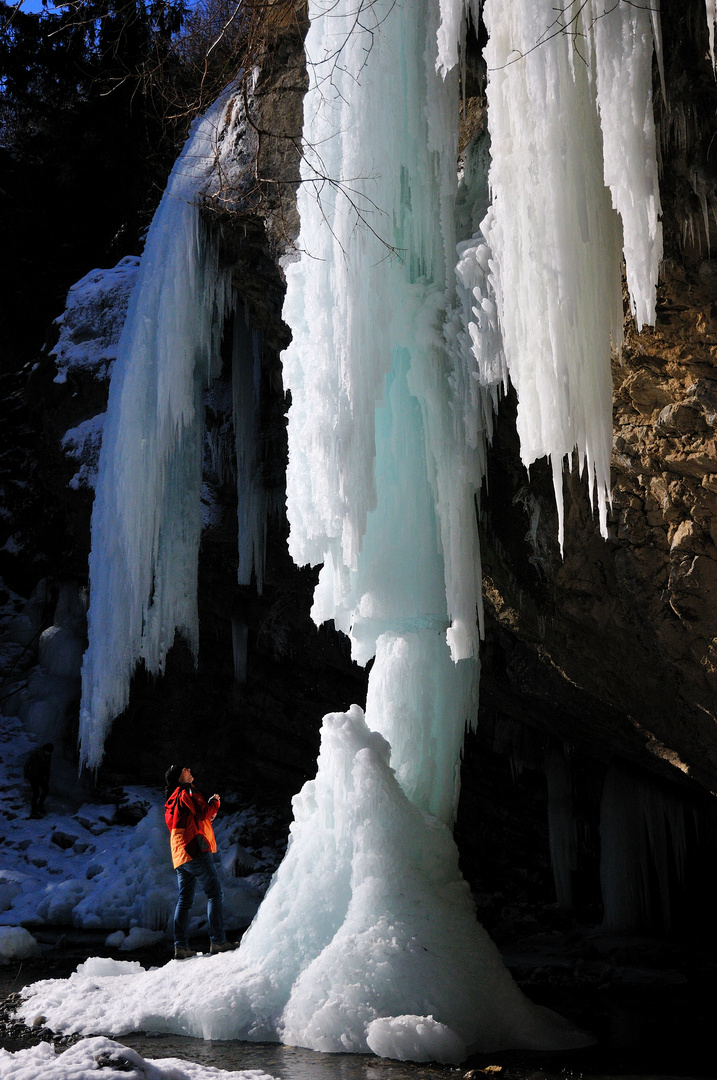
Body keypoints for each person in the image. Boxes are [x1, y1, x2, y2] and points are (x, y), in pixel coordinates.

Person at [164, 764, 239, 960]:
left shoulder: (172, 799)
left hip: (179, 853)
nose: (189, 769)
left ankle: (180, 946)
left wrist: (208, 812)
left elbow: (194, 817)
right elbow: (203, 811)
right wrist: (214, 803)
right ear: (179, 777)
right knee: (215, 893)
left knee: (185, 900)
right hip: (194, 848)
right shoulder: (187, 790)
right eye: (184, 769)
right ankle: (218, 941)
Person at [24, 743, 53, 818]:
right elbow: (27, 765)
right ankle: (33, 811)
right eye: (48, 751)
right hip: (33, 776)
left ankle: (40, 805)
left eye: (49, 752)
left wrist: (47, 777)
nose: (48, 753)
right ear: (44, 750)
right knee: (36, 793)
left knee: (46, 789)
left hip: (41, 776)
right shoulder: (36, 755)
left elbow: (47, 768)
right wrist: (26, 777)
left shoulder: (48, 756)